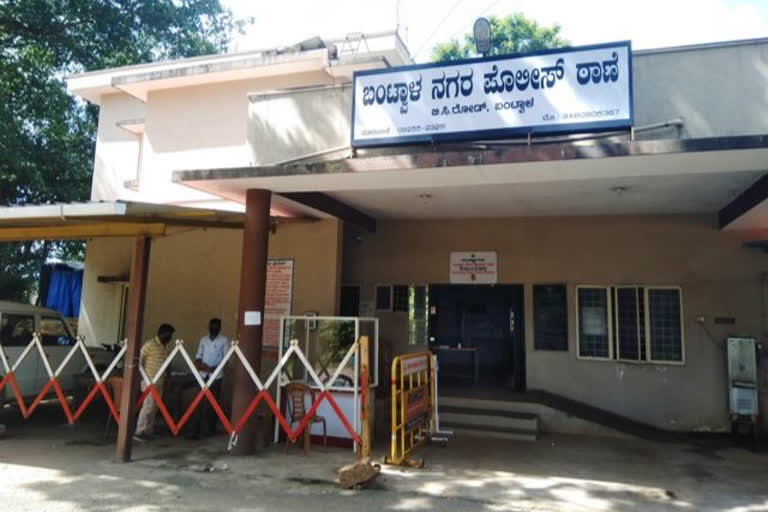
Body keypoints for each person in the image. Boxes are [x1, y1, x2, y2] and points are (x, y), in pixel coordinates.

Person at [186, 318, 228, 439]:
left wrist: (213, 369)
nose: (213, 328)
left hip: (216, 376)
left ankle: (209, 430)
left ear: (219, 328)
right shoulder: (203, 340)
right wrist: (202, 366)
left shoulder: (224, 340)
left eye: (216, 326)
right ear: (208, 327)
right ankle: (195, 430)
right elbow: (198, 357)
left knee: (212, 403)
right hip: (202, 375)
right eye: (212, 326)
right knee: (198, 402)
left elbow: (226, 359)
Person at [133, 323, 174, 442]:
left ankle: (149, 431)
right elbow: (139, 359)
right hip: (149, 381)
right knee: (148, 406)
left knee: (154, 408)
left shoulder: (165, 347)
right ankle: (139, 431)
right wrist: (142, 377)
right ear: (162, 333)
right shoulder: (150, 344)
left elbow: (167, 363)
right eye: (169, 335)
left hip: (160, 382)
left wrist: (168, 377)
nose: (170, 337)